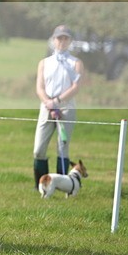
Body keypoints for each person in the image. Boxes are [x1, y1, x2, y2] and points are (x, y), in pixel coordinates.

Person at [32, 25, 85, 188]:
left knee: (62, 147)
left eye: (65, 38)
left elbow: (76, 87)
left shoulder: (76, 63)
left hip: (66, 107)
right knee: (38, 149)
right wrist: (48, 102)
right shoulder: (44, 63)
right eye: (59, 38)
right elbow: (39, 86)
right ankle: (42, 184)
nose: (62, 41)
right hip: (46, 106)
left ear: (70, 41)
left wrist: (57, 101)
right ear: (53, 40)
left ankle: (62, 184)